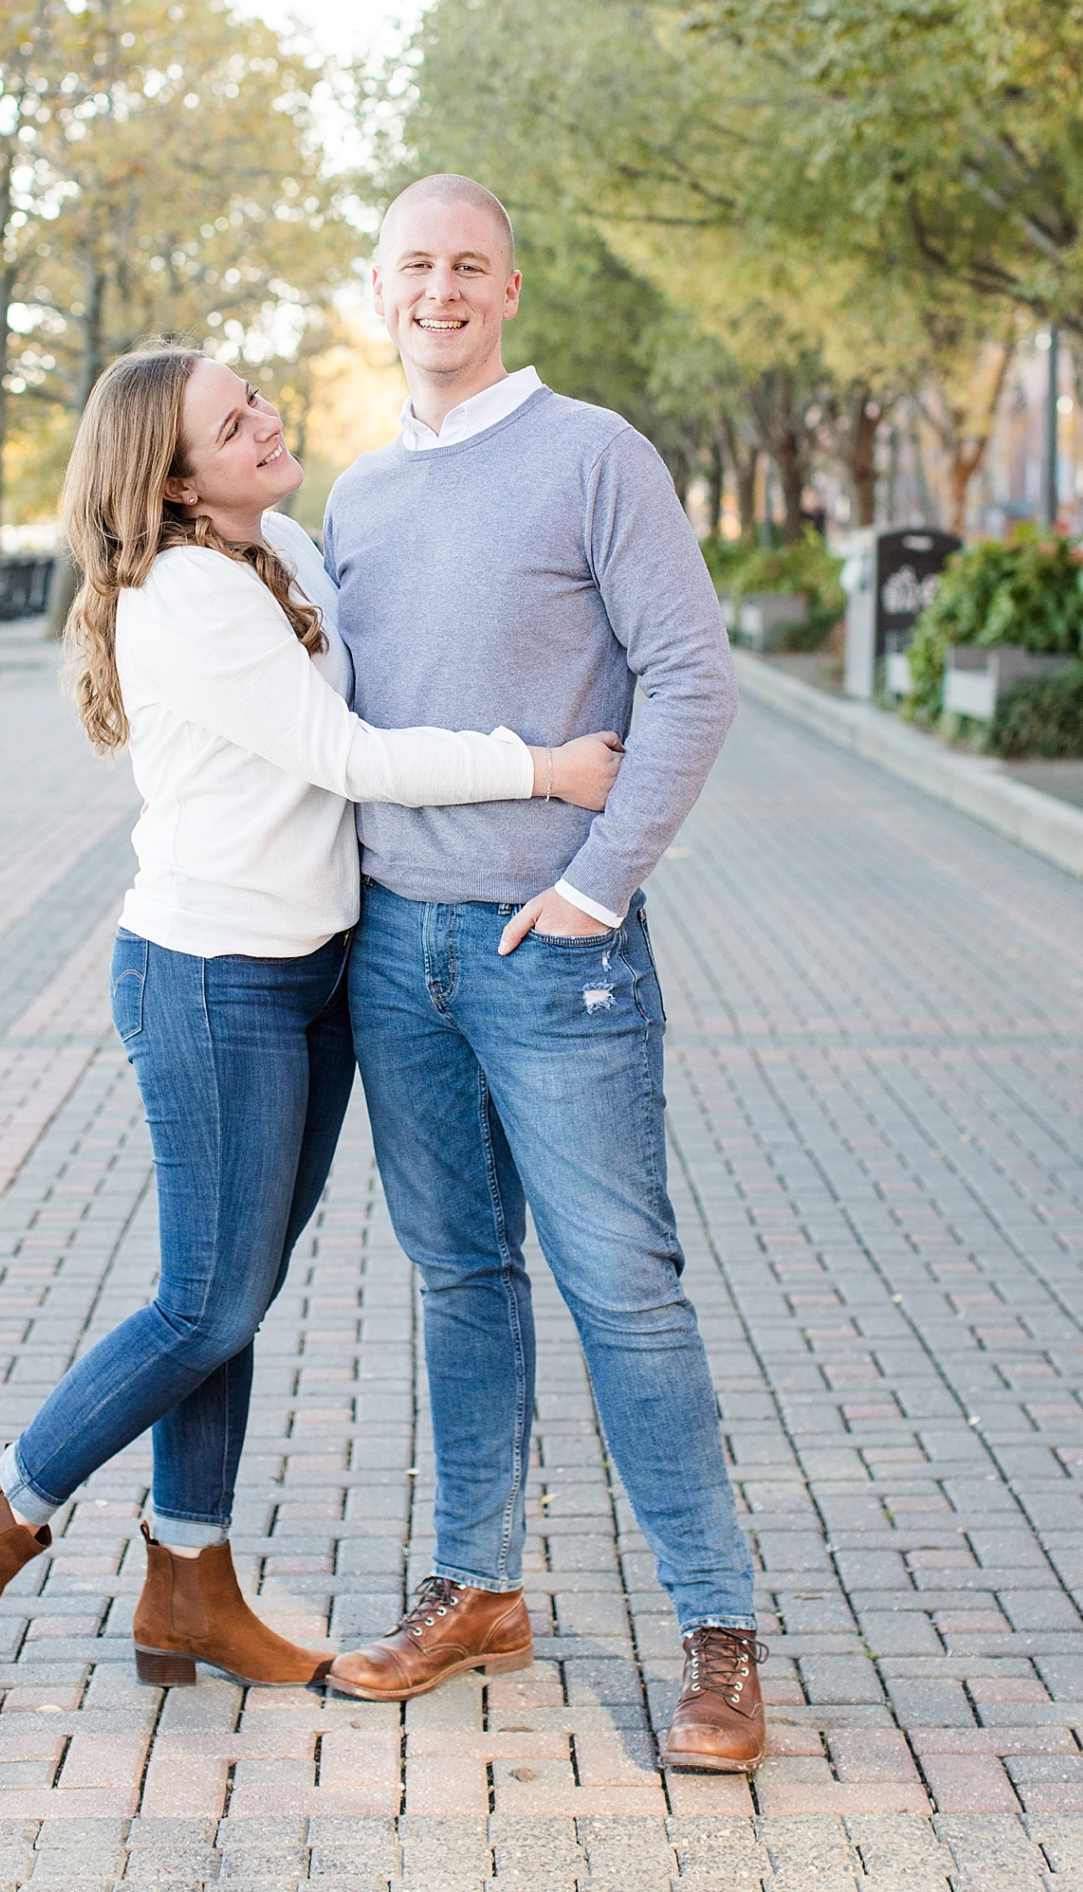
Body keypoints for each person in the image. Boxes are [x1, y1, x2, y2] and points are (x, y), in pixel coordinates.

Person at [0, 343, 624, 1711]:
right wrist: (545, 765)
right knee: (206, 1300)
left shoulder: (278, 536)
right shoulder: (184, 596)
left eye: (258, 399)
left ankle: (189, 1587)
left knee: (232, 1301)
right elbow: (348, 753)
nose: (269, 422)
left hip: (309, 972)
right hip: (211, 976)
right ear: (172, 481)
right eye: (235, 424)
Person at [319, 173, 765, 1775]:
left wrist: (594, 887)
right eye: (412, 266)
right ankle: (478, 1589)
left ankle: (720, 1637)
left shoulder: (594, 455)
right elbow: (348, 735)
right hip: (397, 956)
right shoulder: (359, 500)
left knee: (625, 1298)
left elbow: (693, 682)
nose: (439, 289)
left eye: (468, 265)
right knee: (458, 1281)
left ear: (510, 289)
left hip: (552, 961)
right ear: (382, 291)